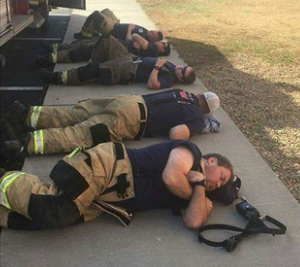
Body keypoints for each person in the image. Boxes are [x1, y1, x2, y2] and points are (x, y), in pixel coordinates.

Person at [0, 139, 239, 230]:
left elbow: (194, 221)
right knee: (57, 212)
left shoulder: (197, 191)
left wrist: (199, 188)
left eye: (220, 186)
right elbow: (171, 176)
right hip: (108, 166)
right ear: (212, 160)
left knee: (39, 221)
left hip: (109, 200)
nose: (217, 184)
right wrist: (194, 188)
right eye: (222, 177)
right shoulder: (190, 152)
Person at [0, 89, 221, 158]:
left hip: (127, 100)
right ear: (207, 111)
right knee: (80, 134)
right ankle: (22, 144)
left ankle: (25, 114)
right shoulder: (196, 116)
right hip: (131, 120)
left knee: (74, 115)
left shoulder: (182, 93)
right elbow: (176, 135)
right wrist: (198, 127)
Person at [40, 35, 195, 89]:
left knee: (93, 71)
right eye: (184, 67)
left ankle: (55, 77)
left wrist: (157, 67)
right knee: (106, 39)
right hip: (128, 57)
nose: (181, 68)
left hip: (127, 70)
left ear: (181, 79)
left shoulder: (169, 79)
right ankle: (55, 56)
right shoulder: (173, 67)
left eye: (183, 71)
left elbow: (152, 85)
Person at [35, 36, 171, 66]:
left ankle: (45, 59)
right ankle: (50, 48)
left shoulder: (153, 49)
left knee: (82, 51)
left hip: (113, 48)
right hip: (115, 44)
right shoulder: (151, 47)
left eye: (163, 43)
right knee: (80, 45)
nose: (160, 42)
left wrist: (135, 39)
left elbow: (135, 37)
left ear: (163, 48)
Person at [73, 9, 166, 43]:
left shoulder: (143, 39)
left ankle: (85, 34)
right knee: (107, 11)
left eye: (155, 33)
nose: (153, 31)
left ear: (155, 39)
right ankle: (94, 30)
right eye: (155, 30)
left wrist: (129, 30)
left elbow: (128, 41)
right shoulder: (147, 32)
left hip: (113, 31)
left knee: (97, 15)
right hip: (117, 25)